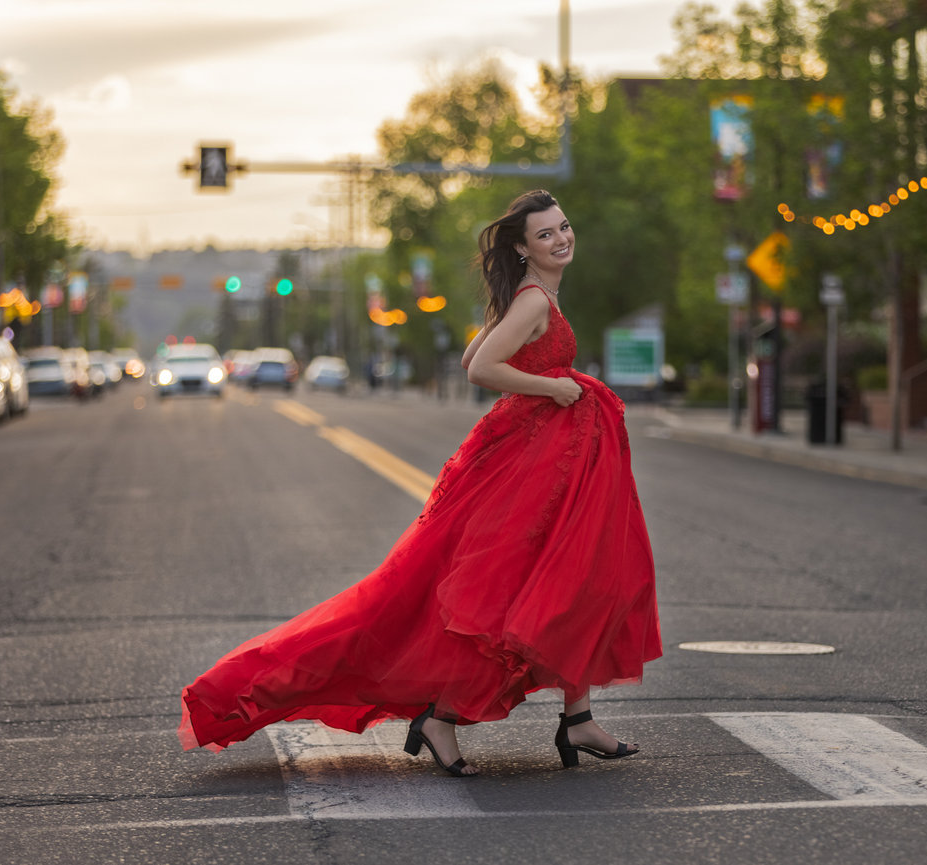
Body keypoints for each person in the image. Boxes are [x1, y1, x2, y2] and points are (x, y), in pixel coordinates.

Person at [178, 190, 662, 777]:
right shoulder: (535, 300)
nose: (562, 238)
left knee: (566, 583)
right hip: (532, 469)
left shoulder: (532, 298)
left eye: (564, 226)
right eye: (546, 234)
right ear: (522, 247)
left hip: (542, 464)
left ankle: (576, 717)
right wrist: (555, 387)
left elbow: (470, 354)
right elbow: (483, 370)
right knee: (504, 593)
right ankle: (444, 717)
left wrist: (538, 364)